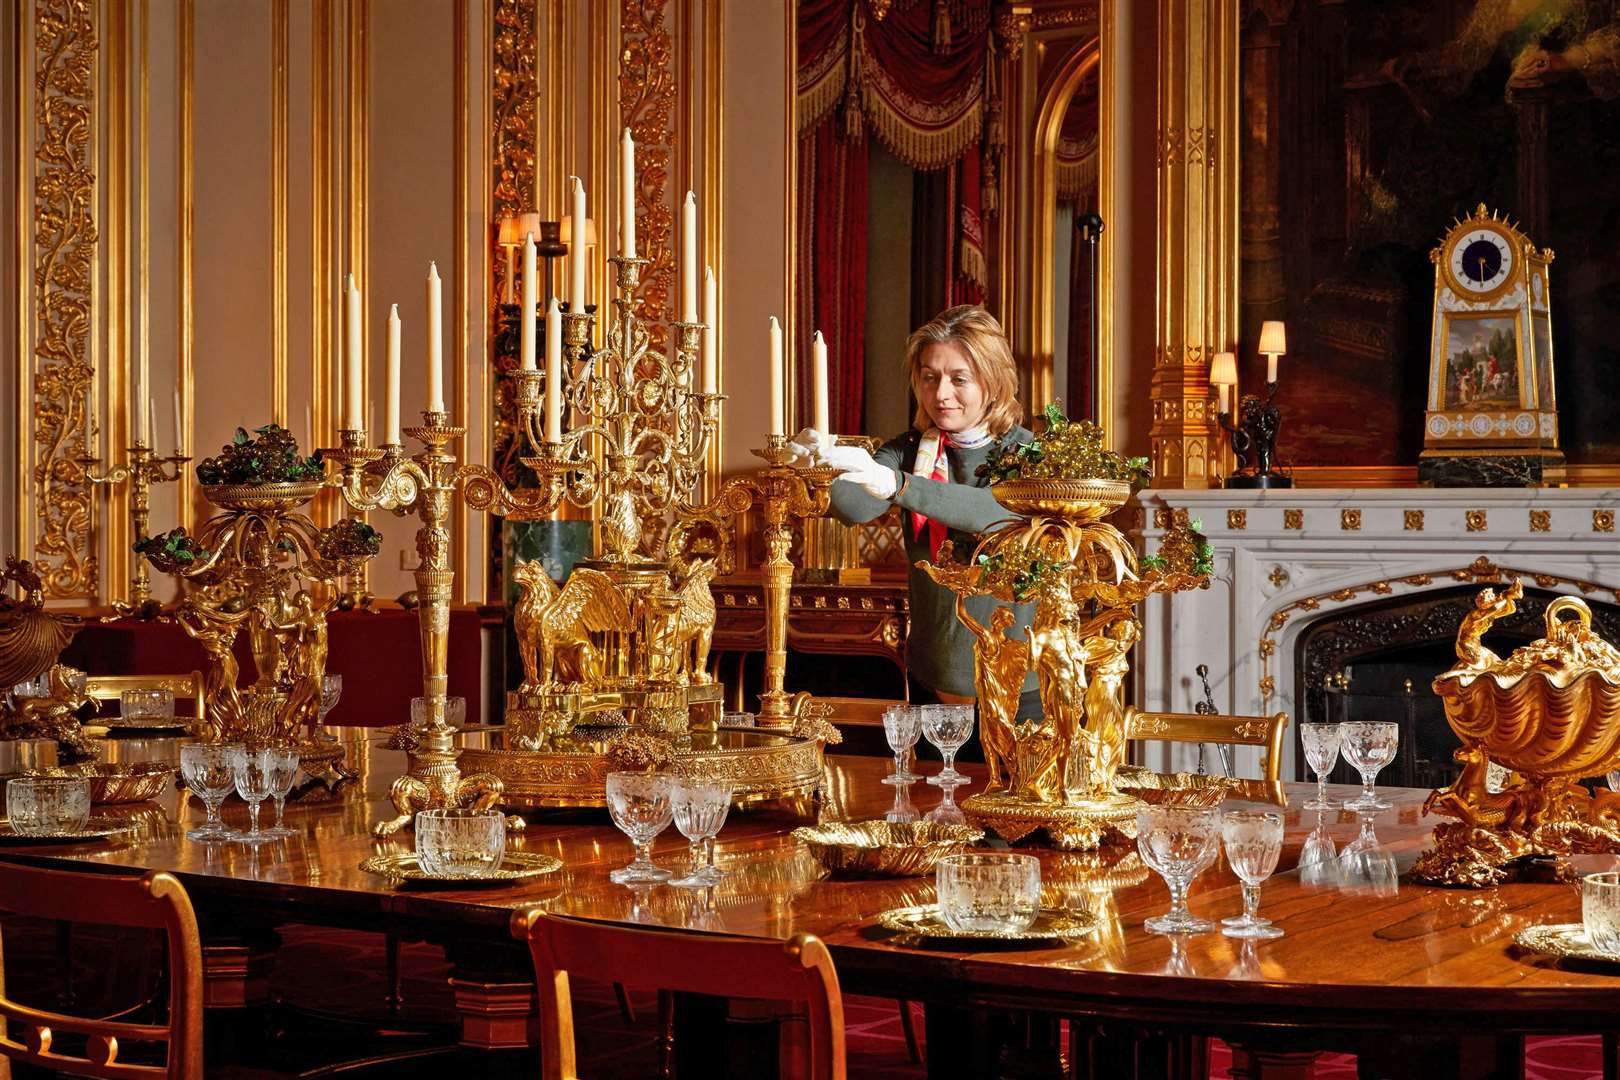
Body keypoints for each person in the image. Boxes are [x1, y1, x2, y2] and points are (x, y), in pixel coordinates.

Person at [810, 305, 1039, 742]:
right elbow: (851, 509)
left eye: (959, 378)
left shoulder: (1025, 453)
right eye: (930, 377)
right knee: (935, 807)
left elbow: (994, 513)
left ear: (992, 382)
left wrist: (895, 485)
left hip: (1018, 684)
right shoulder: (909, 450)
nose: (942, 393)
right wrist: (826, 463)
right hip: (932, 674)